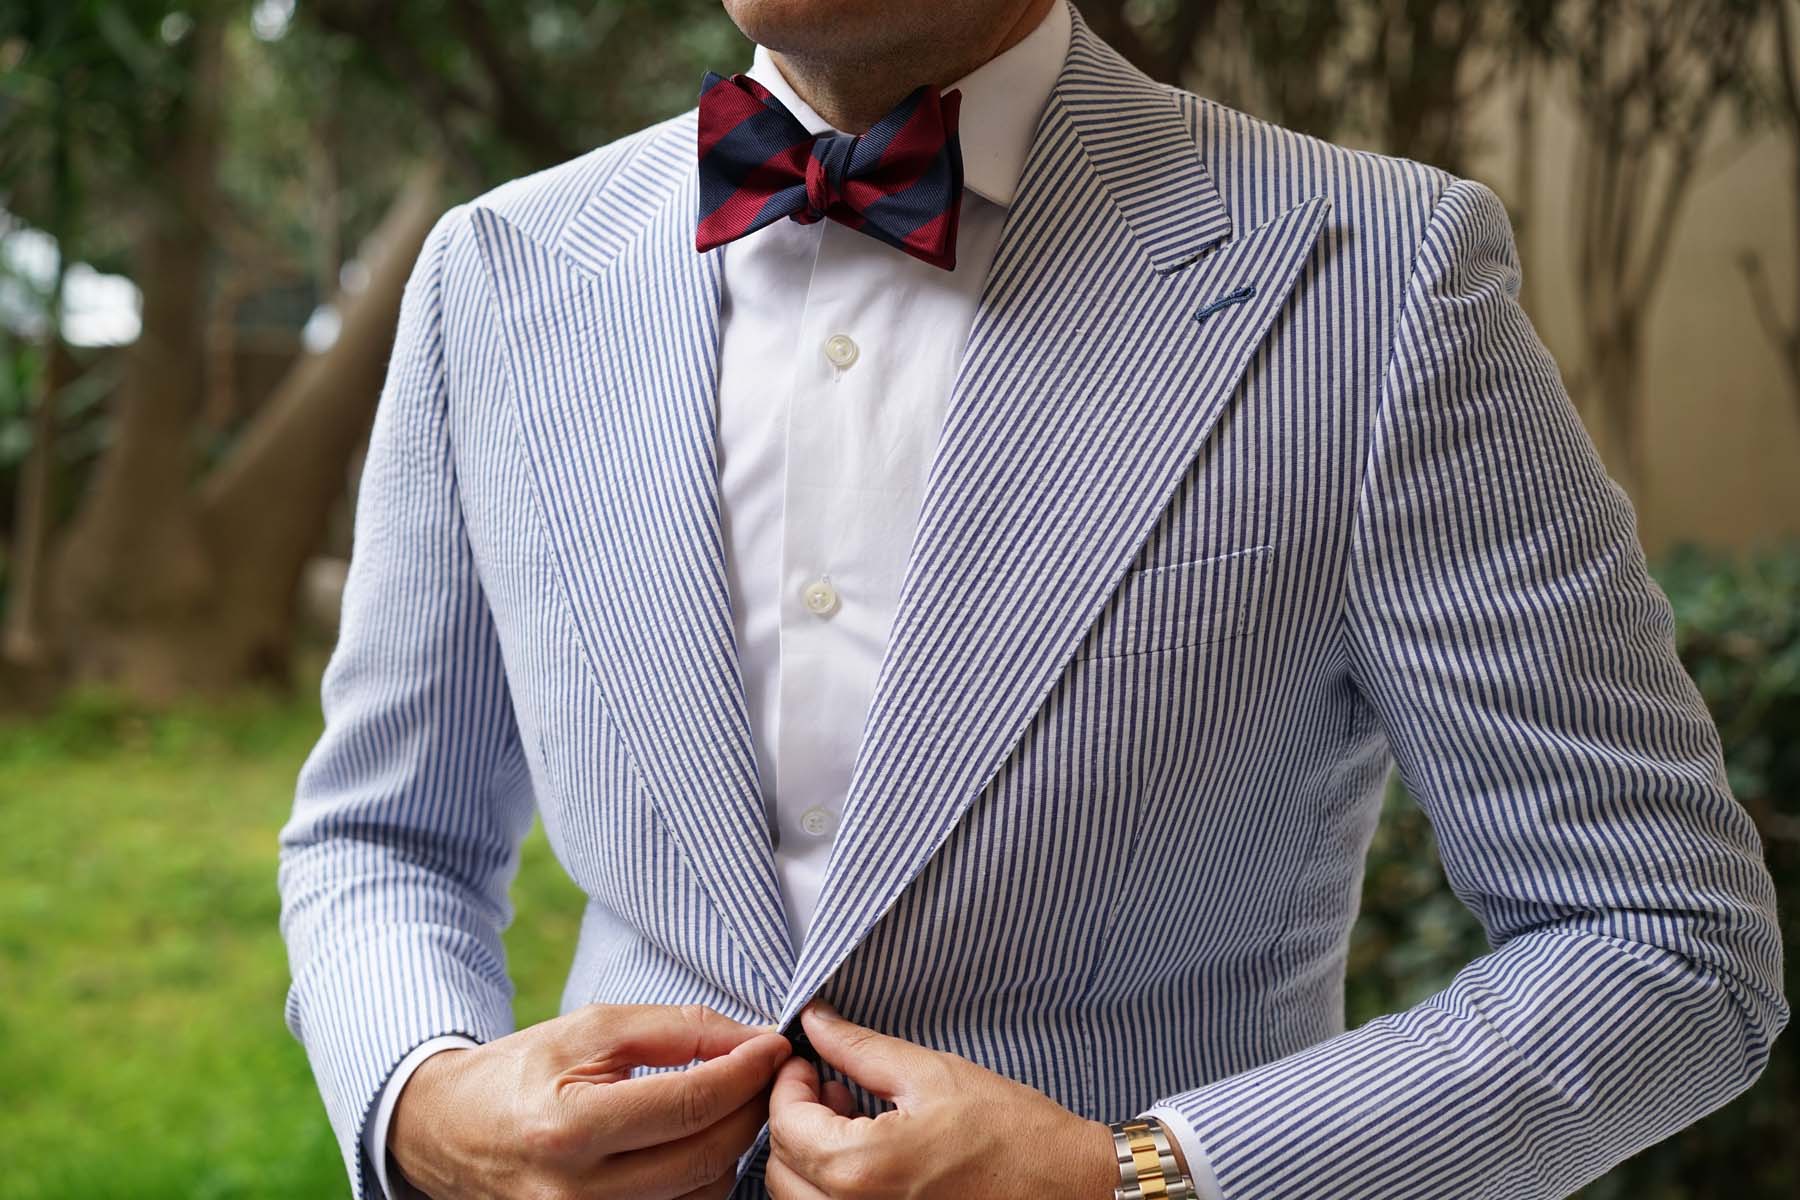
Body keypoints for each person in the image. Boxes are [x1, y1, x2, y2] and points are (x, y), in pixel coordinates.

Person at [277, 1, 1788, 1197]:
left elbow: (1663, 941)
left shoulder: (1374, 282)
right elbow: (382, 834)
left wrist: (1141, 1176)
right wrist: (423, 1095)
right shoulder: (499, 274)